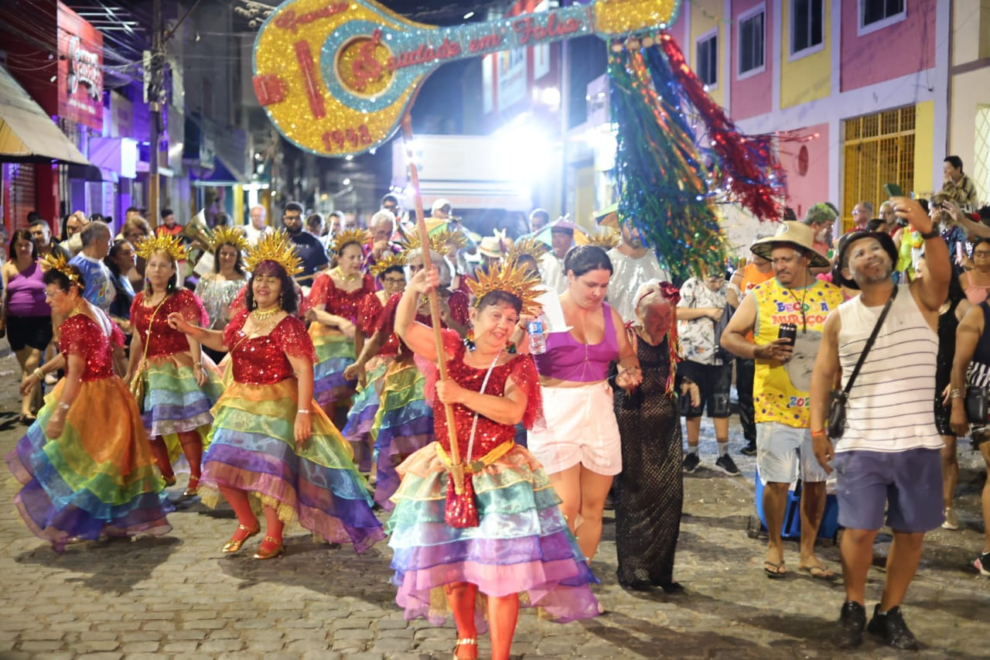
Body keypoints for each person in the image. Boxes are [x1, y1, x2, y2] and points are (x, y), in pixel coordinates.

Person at [390, 260, 599, 660]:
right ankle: (466, 638)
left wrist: (461, 396)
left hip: (501, 480)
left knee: (502, 575)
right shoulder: (448, 348)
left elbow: (511, 413)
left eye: (511, 318)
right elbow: (404, 329)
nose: (503, 324)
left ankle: (500, 655)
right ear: (472, 316)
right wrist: (414, 290)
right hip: (448, 473)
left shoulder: (517, 365)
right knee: (456, 567)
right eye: (495, 315)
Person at [168, 230, 384, 558]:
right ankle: (245, 522)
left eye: (271, 279)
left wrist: (302, 414)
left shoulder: (289, 325)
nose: (263, 285)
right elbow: (224, 342)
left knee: (270, 471)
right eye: (259, 279)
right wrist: (190, 331)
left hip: (279, 405)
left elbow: (305, 371)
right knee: (221, 465)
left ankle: (273, 533)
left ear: (283, 288)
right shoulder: (243, 318)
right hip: (240, 400)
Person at [810, 198, 949, 650]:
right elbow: (822, 375)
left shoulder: (923, 296)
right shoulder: (839, 318)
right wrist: (816, 430)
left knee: (911, 533)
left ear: (891, 257)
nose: (870, 255)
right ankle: (854, 605)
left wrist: (927, 230)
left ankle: (889, 612)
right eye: (858, 254)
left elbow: (942, 272)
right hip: (861, 440)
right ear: (847, 272)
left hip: (918, 440)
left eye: (876, 248)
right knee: (859, 529)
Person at [8, 257, 172, 551]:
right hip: (110, 394)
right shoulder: (94, 312)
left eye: (51, 294)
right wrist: (38, 372)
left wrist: (60, 412)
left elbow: (76, 371)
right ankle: (107, 521)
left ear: (71, 291)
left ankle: (72, 522)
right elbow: (72, 356)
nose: (47, 300)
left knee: (77, 462)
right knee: (105, 462)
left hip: (89, 398)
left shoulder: (75, 323)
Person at [722, 221, 842, 579]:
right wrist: (759, 349)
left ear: (805, 258)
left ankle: (808, 552)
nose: (780, 267)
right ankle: (775, 544)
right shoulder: (759, 295)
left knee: (817, 481)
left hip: (821, 409)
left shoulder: (834, 299)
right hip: (773, 402)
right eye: (775, 260)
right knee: (776, 481)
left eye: (787, 259)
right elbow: (728, 337)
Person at [529, 245, 641, 561]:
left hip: (598, 409)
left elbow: (626, 354)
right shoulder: (544, 311)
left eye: (604, 285)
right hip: (554, 410)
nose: (598, 292)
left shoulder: (610, 314)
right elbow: (528, 353)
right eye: (590, 284)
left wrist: (628, 371)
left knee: (593, 508)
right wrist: (530, 326)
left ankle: (579, 580)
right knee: (565, 506)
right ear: (570, 276)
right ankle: (554, 580)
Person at [613, 280, 698, 593]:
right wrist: (619, 381)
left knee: (668, 498)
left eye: (668, 316)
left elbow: (677, 371)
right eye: (656, 316)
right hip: (631, 427)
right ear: (639, 312)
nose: (662, 323)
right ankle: (633, 571)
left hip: (665, 430)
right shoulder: (627, 338)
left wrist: (689, 383)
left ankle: (662, 572)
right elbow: (609, 377)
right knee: (634, 498)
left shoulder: (671, 341)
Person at [125, 234, 223, 498]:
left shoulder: (183, 298)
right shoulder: (138, 300)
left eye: (163, 265)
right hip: (149, 370)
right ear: (146, 269)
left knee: (184, 424)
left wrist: (196, 365)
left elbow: (192, 333)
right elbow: (136, 337)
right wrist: (130, 370)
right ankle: (165, 473)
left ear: (172, 270)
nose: (157, 270)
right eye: (152, 265)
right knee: (147, 426)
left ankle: (195, 475)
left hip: (178, 366)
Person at [341, 253, 408, 474]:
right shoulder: (372, 299)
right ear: (383, 280)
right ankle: (374, 469)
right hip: (377, 364)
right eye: (391, 280)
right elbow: (361, 334)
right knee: (372, 418)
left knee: (397, 418)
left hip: (404, 364)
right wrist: (361, 366)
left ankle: (394, 469)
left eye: (400, 280)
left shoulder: (408, 301)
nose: (396, 284)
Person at [914, 257, 967, 530]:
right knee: (918, 449)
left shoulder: (962, 307)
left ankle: (947, 505)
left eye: (923, 270)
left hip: (947, 385)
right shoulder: (916, 304)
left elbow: (975, 346)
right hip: (918, 383)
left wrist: (959, 380)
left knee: (947, 451)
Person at [305, 229, 375, 419]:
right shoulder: (326, 279)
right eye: (351, 257)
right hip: (329, 340)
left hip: (358, 338)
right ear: (339, 257)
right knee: (332, 383)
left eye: (359, 257)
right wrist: (341, 322)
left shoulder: (367, 281)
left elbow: (373, 312)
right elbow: (315, 312)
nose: (356, 261)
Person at [676, 270, 738, 475]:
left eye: (719, 278)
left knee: (721, 405)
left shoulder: (730, 289)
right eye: (711, 278)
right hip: (692, 356)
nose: (715, 282)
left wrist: (733, 301)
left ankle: (723, 455)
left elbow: (742, 315)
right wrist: (707, 312)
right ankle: (692, 453)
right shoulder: (691, 285)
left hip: (721, 357)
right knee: (694, 406)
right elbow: (676, 312)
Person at [949, 285, 990, 577]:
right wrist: (957, 406)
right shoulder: (977, 315)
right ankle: (988, 552)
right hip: (985, 398)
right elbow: (959, 366)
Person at [1, 230, 52, 424]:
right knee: (28, 368)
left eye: (27, 245)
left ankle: (25, 411)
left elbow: (56, 289)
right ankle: (39, 405)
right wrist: (2, 321)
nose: (23, 248)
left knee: (31, 364)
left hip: (41, 322)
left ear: (33, 246)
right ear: (13, 247)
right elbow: (3, 296)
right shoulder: (7, 268)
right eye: (19, 245)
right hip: (16, 323)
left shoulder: (44, 266)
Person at [728, 246, 774, 456]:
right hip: (747, 343)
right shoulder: (743, 272)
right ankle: (752, 439)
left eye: (759, 251)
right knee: (746, 392)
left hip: (770, 343)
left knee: (769, 391)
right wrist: (745, 314)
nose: (754, 255)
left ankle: (769, 437)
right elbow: (730, 295)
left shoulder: (776, 273)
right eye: (753, 251)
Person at [194, 227, 249, 364]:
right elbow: (195, 306)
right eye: (224, 253)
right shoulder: (206, 279)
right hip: (207, 338)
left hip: (232, 338)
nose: (227, 257)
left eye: (232, 254)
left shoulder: (244, 281)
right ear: (217, 255)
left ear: (238, 257)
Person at [606, 221, 670, 324]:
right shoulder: (607, 262)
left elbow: (669, 304)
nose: (636, 233)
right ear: (621, 226)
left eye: (642, 225)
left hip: (653, 337)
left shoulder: (660, 262)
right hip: (615, 336)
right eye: (631, 226)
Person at [69, 222, 115, 314]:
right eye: (109, 240)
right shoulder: (75, 266)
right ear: (97, 241)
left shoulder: (103, 265)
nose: (112, 244)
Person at [283, 202, 329, 284]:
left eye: (297, 218)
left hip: (307, 290)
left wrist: (320, 274)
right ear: (284, 218)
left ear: (303, 218)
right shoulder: (276, 240)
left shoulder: (314, 242)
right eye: (290, 218)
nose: (293, 221)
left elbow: (326, 267)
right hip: (281, 290)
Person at [105, 239, 137, 338]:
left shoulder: (125, 278)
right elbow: (106, 313)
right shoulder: (109, 281)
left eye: (132, 251)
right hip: (118, 335)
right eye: (126, 253)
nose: (132, 255)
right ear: (114, 259)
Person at [960, 238, 990, 304]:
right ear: (973, 256)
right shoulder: (963, 278)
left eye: (987, 253)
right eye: (979, 253)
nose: (983, 256)